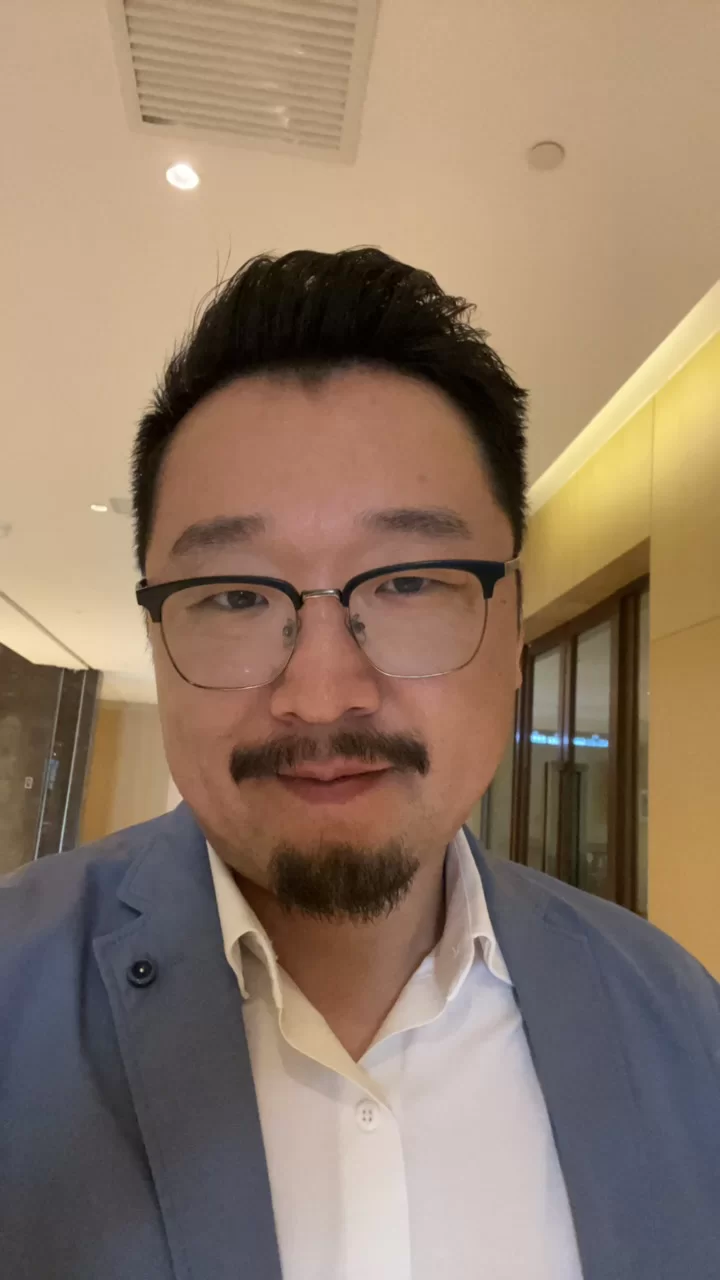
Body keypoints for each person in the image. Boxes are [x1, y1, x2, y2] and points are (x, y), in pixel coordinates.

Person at [1, 249, 719, 1280]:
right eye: (235, 595)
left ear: (513, 626)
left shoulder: (680, 1023)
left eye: (410, 581)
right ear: (156, 638)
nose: (323, 691)